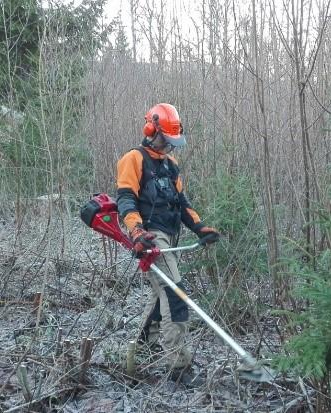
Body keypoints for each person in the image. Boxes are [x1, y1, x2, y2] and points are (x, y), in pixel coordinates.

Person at [116, 103, 220, 386]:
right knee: (175, 294)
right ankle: (179, 366)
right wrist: (136, 230)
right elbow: (125, 199)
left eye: (173, 142)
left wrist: (200, 228)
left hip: (168, 235)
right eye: (166, 140)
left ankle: (141, 350)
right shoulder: (133, 159)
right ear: (151, 130)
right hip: (149, 236)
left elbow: (182, 204)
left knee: (160, 295)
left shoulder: (170, 165)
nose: (170, 147)